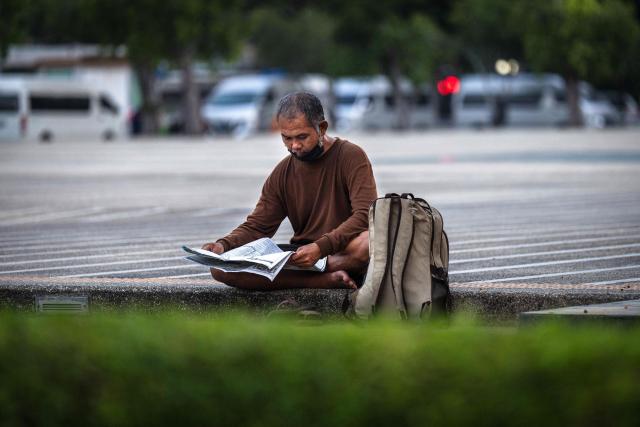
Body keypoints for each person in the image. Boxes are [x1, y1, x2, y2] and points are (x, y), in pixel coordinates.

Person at [202, 92, 378, 290]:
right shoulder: (283, 172)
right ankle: (322, 281)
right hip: (301, 255)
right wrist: (223, 245)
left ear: (321, 128)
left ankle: (326, 269)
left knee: (368, 243)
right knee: (220, 268)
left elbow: (366, 214)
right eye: (287, 138)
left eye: (302, 137)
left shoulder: (351, 156)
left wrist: (321, 248)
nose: (294, 146)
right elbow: (258, 226)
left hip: (340, 251)